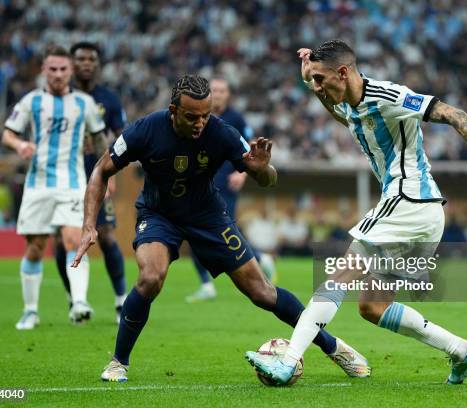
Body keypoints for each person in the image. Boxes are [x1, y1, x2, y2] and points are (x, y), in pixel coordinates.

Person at [246, 40, 467, 385]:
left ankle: (288, 360)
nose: (317, 86)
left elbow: (454, 114)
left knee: (339, 274)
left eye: (320, 79)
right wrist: (310, 84)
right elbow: (345, 116)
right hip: (426, 216)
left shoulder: (389, 96)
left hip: (408, 202)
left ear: (343, 72)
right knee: (373, 306)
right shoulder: (353, 104)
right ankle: (463, 349)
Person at [72, 74, 370, 382]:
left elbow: (267, 179)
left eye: (206, 115)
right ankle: (119, 362)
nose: (200, 123)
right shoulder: (146, 129)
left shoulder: (222, 133)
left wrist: (262, 168)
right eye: (191, 117)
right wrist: (88, 225)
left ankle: (334, 347)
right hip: (159, 214)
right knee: (150, 278)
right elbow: (100, 171)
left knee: (262, 292)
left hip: (208, 216)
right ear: (173, 111)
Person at [2, 45, 106, 330]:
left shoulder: (84, 103)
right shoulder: (31, 102)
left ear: (70, 71)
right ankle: (30, 311)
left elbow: (100, 142)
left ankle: (80, 302)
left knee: (74, 239)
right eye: (53, 69)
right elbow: (7, 134)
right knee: (35, 247)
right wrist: (20, 144)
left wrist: (105, 178)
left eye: (63, 69)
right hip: (38, 184)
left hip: (72, 184)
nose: (58, 74)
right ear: (43, 70)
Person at [53, 42, 127, 323]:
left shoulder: (108, 98)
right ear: (72, 63)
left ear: (97, 64)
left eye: (91, 59)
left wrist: (113, 174)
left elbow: (123, 139)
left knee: (107, 237)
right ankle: (75, 300)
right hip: (63, 179)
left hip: (98, 176)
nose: (86, 63)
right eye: (80, 58)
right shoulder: (60, 97)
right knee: (62, 243)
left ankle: (121, 300)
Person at [186, 77, 276, 303]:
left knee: (225, 233)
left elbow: (249, 150)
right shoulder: (197, 116)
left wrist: (241, 173)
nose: (217, 94)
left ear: (228, 95)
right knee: (192, 234)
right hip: (198, 185)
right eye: (214, 90)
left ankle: (258, 259)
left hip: (225, 185)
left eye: (222, 90)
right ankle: (207, 285)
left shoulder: (235, 119)